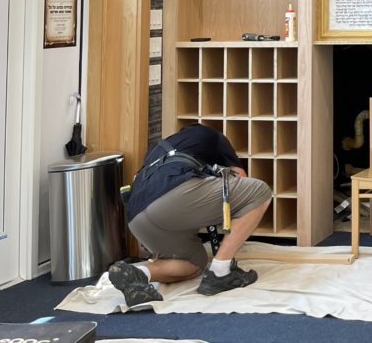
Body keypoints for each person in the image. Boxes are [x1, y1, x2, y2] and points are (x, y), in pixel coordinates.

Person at [108, 123, 272, 307]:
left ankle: (138, 275)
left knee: (193, 263)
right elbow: (240, 178)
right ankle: (221, 272)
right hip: (173, 197)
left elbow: (143, 249)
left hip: (135, 216)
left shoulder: (156, 149)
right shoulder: (210, 135)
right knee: (260, 191)